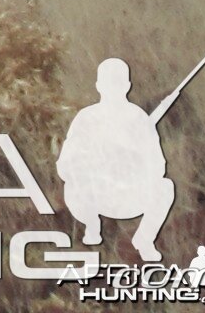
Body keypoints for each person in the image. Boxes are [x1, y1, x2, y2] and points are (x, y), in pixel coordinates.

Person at [58, 59, 176, 261]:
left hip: (129, 195)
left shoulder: (139, 119)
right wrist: (94, 166)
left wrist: (132, 161)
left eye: (117, 83)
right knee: (74, 187)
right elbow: (65, 165)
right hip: (93, 196)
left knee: (165, 187)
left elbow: (158, 166)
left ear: (127, 86)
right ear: (98, 86)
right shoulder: (86, 118)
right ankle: (92, 225)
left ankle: (144, 240)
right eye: (109, 83)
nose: (113, 88)